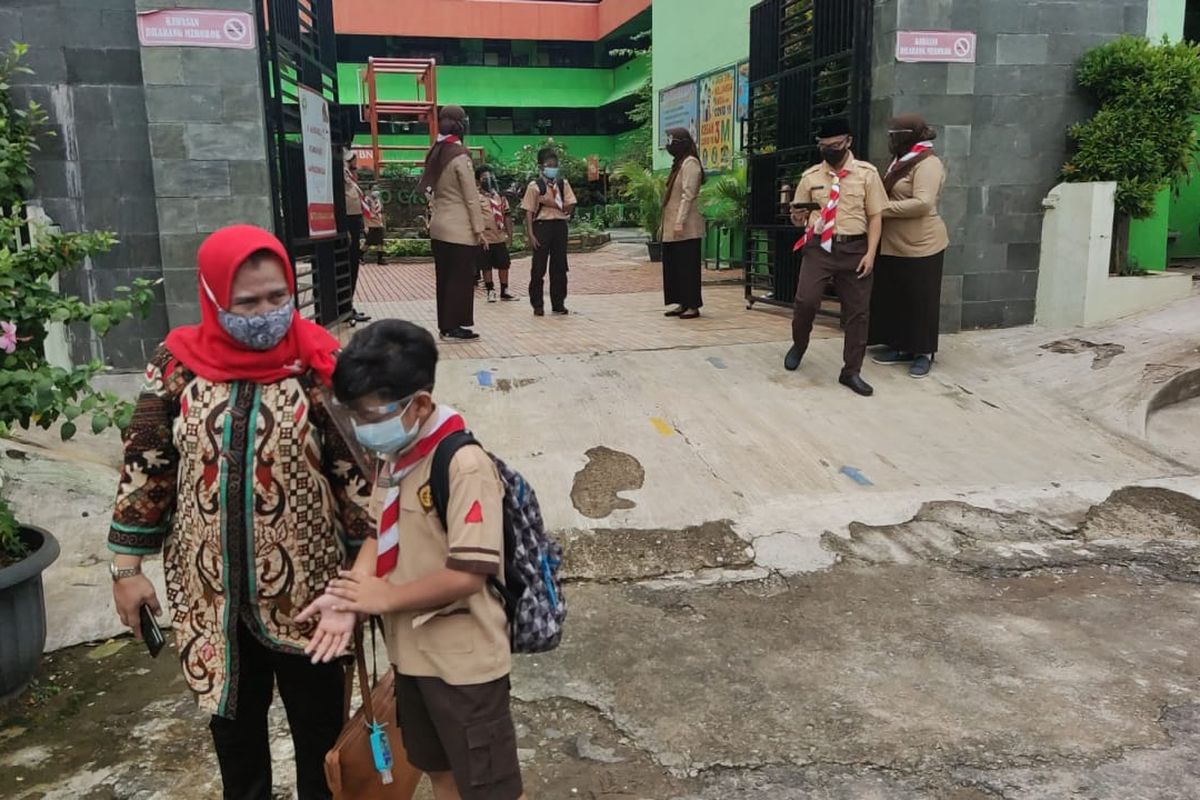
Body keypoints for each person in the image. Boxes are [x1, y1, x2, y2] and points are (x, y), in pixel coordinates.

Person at [107, 225, 374, 800]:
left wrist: (360, 590)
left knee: (323, 746)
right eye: (246, 303)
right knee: (236, 744)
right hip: (210, 602)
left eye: (278, 297)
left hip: (312, 602)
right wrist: (127, 571)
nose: (266, 314)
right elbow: (147, 464)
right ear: (211, 296)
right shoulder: (176, 364)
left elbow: (361, 487)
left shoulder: (320, 363)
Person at [302, 319, 526, 800]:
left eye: (369, 413)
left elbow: (469, 573)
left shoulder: (462, 465)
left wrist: (388, 596)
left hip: (463, 665)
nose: (362, 428)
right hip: (412, 658)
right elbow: (375, 536)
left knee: (488, 788)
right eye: (354, 415)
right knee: (438, 771)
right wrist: (348, 599)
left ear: (420, 404)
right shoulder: (398, 458)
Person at [784, 118, 886, 397]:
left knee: (858, 312)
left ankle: (851, 371)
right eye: (824, 146)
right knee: (806, 300)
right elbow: (798, 217)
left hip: (854, 248)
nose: (830, 150)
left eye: (836, 145)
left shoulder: (867, 174)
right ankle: (799, 344)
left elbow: (876, 216)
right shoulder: (810, 177)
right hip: (819, 247)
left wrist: (871, 253)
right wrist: (797, 216)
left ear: (848, 142)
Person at [870, 113, 949, 379]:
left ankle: (923, 353)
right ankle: (900, 346)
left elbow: (923, 203)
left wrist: (880, 209)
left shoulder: (928, 163)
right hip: (894, 243)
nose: (891, 139)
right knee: (898, 296)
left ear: (909, 136)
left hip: (922, 243)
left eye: (896, 135)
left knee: (921, 299)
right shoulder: (900, 161)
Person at [419, 105, 485, 341]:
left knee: (444, 278)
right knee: (460, 279)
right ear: (461, 125)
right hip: (459, 229)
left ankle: (445, 325)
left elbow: (429, 191)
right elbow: (470, 196)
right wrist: (479, 228)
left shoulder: (435, 152)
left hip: (438, 226)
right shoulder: (459, 155)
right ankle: (455, 327)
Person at [522, 147, 576, 316]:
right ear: (540, 167)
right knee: (538, 267)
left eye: (555, 164)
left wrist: (551, 203)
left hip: (560, 226)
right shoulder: (534, 186)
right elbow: (528, 212)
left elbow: (569, 207)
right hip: (542, 227)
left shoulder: (562, 184)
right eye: (548, 165)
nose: (552, 168)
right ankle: (537, 304)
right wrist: (531, 234)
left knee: (559, 266)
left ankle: (558, 303)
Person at [661, 127, 706, 319]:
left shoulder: (690, 163)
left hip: (686, 227)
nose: (669, 144)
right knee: (675, 266)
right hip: (672, 225)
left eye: (672, 140)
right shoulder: (678, 163)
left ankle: (692, 305)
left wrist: (679, 222)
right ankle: (681, 302)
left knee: (687, 267)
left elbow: (688, 195)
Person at [477, 164, 515, 302]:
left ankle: (504, 290)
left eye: (490, 176)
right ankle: (490, 290)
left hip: (499, 237)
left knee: (504, 264)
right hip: (485, 238)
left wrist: (510, 235)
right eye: (484, 178)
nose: (488, 179)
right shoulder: (476, 197)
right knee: (486, 266)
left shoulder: (500, 197)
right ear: (478, 181)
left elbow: (507, 216)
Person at [343, 150, 371, 324]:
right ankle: (345, 307)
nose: (357, 164)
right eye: (354, 160)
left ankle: (348, 306)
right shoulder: (341, 174)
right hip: (347, 222)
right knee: (348, 266)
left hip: (354, 221)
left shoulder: (349, 175)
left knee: (353, 266)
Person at [363, 188, 387, 265]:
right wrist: (365, 226)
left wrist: (382, 223)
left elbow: (380, 212)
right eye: (374, 190)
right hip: (371, 225)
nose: (376, 192)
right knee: (368, 243)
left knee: (380, 242)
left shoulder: (378, 201)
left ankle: (380, 259)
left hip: (378, 224)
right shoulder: (367, 201)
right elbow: (365, 214)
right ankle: (359, 256)